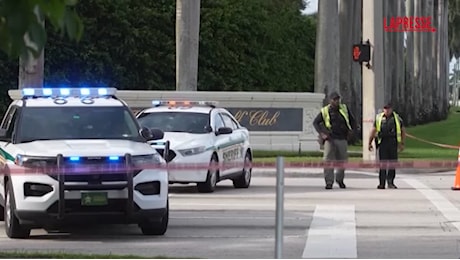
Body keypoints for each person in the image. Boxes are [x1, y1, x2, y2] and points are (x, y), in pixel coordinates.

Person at [313, 91, 357, 189]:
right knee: (328, 161)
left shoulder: (344, 109)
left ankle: (340, 180)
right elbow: (316, 123)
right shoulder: (325, 110)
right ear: (330, 100)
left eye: (338, 99)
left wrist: (352, 131)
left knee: (342, 161)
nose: (337, 101)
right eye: (334, 99)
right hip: (330, 139)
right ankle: (329, 182)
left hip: (342, 138)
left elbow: (353, 121)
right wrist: (322, 133)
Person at [368, 102, 406, 189]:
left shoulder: (397, 118)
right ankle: (382, 183)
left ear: (391, 109)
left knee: (392, 163)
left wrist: (402, 143)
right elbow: (373, 131)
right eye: (385, 108)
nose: (386, 110)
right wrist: (369, 143)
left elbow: (403, 130)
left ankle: (390, 182)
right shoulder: (379, 118)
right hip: (383, 143)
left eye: (388, 108)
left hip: (393, 142)